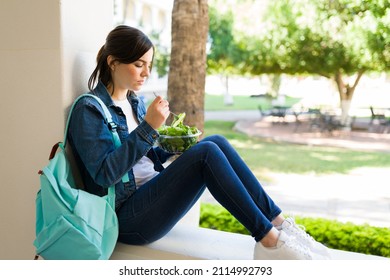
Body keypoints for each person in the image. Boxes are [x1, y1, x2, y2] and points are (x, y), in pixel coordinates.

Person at [68, 25, 330, 260]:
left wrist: (173, 148)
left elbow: (141, 161)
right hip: (126, 217)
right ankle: (269, 242)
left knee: (215, 141)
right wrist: (149, 127)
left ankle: (281, 226)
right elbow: (104, 175)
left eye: (149, 64)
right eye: (139, 64)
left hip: (152, 197)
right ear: (113, 62)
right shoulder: (89, 110)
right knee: (206, 153)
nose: (147, 72)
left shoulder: (134, 102)